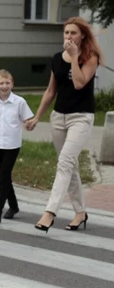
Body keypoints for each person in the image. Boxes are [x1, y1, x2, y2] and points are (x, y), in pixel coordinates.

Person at [27, 16, 103, 232]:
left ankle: (49, 212)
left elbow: (79, 83)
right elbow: (51, 90)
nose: (68, 36)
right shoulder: (56, 58)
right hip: (59, 117)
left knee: (65, 164)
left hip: (81, 117)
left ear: (82, 37)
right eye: (66, 33)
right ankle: (80, 212)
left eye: (73, 33)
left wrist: (75, 57)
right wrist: (36, 117)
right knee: (70, 166)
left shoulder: (90, 57)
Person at [0, 69, 33, 224]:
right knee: (5, 178)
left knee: (3, 178)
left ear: (12, 84)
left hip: (12, 145)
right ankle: (14, 206)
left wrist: (28, 123)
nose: (4, 86)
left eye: (7, 83)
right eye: (1, 83)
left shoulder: (19, 102)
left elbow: (27, 118)